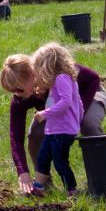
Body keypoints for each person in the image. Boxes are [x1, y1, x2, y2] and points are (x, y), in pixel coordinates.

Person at [0, 52, 106, 195]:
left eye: (18, 89)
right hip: (58, 109)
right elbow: (16, 137)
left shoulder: (55, 67)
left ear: (32, 74)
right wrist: (22, 171)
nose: (17, 94)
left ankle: (103, 180)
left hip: (88, 95)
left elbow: (94, 79)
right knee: (36, 133)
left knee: (89, 125)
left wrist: (80, 112)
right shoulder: (21, 98)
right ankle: (44, 183)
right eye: (12, 91)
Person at [28, 43, 84, 197]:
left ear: (47, 65)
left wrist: (46, 113)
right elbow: (78, 103)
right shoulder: (61, 80)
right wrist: (78, 119)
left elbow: (66, 102)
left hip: (63, 130)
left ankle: (72, 190)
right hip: (55, 129)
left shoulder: (62, 78)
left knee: (60, 163)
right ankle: (38, 188)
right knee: (42, 158)